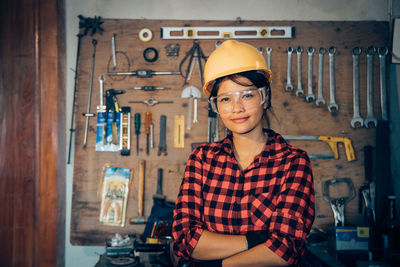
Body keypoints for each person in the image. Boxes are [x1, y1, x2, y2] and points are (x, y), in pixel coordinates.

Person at [172, 40, 315, 267]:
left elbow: (285, 250)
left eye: (247, 95)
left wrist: (218, 265)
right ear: (216, 106)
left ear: (264, 98)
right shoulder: (202, 159)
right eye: (226, 99)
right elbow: (186, 240)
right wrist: (257, 241)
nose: (236, 108)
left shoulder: (292, 162)